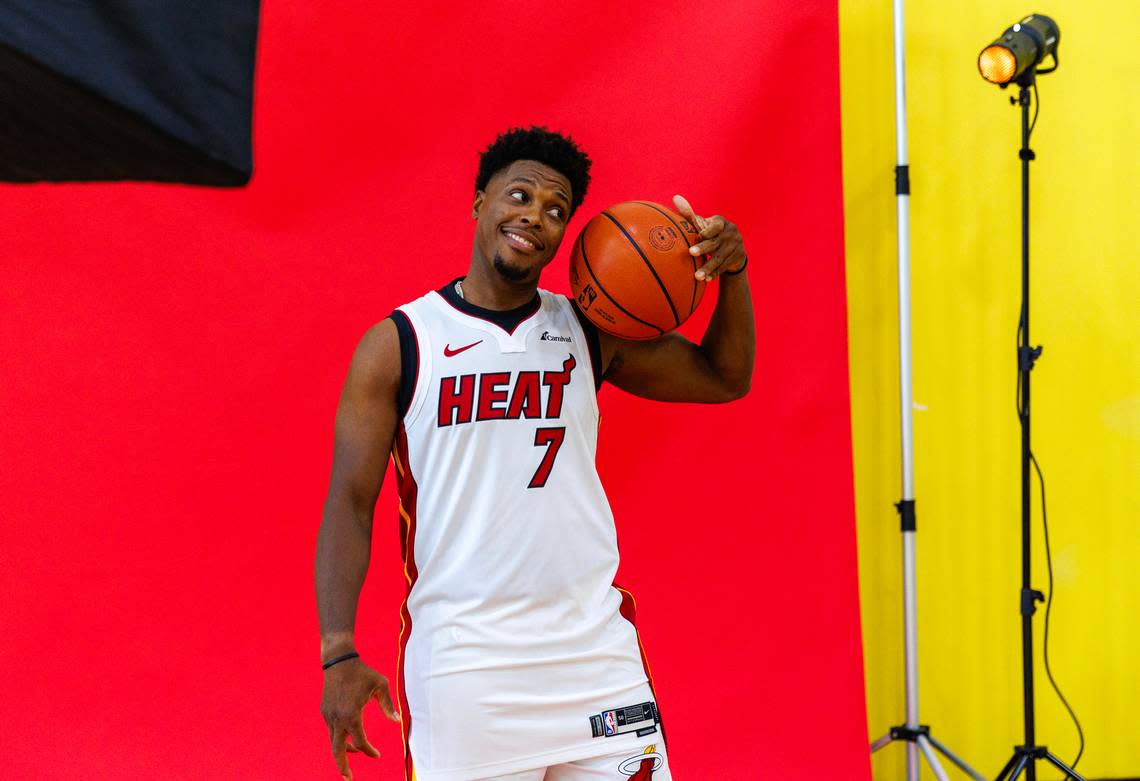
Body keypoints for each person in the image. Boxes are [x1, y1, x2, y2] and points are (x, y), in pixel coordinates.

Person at [316, 126, 754, 781]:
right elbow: (350, 499)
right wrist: (338, 651)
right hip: (468, 664)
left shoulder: (592, 329)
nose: (534, 217)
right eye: (518, 196)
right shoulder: (401, 342)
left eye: (555, 210)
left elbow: (725, 377)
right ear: (478, 203)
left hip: (593, 655)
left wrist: (734, 274)